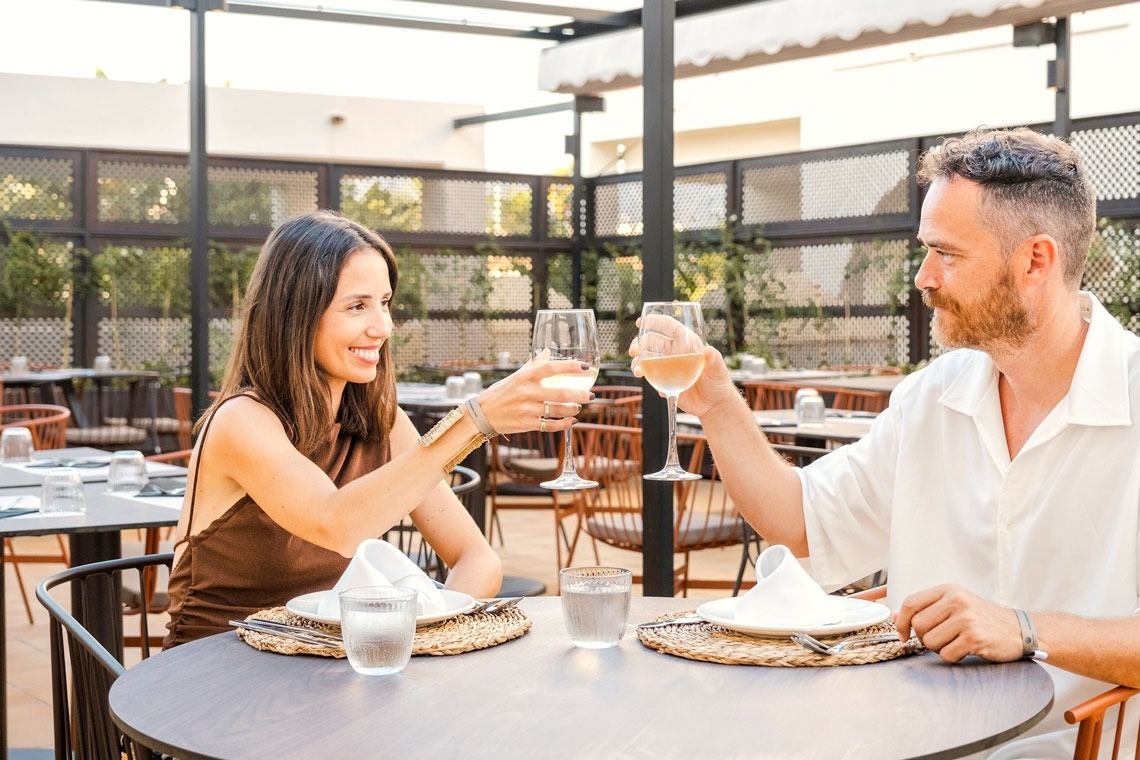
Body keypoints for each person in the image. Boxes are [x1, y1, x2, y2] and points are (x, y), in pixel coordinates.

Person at [633, 127, 1140, 756]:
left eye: (946, 254)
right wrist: (714, 400)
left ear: (1036, 260)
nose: (924, 277)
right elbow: (799, 523)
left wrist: (1027, 630)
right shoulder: (931, 396)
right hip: (905, 734)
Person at [164, 210, 593, 647]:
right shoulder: (242, 420)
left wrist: (422, 635)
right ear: (294, 314)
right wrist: (475, 420)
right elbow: (336, 525)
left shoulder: (379, 421)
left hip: (330, 670)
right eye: (356, 306)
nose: (382, 327)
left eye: (384, 303)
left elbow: (477, 558)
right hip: (216, 674)